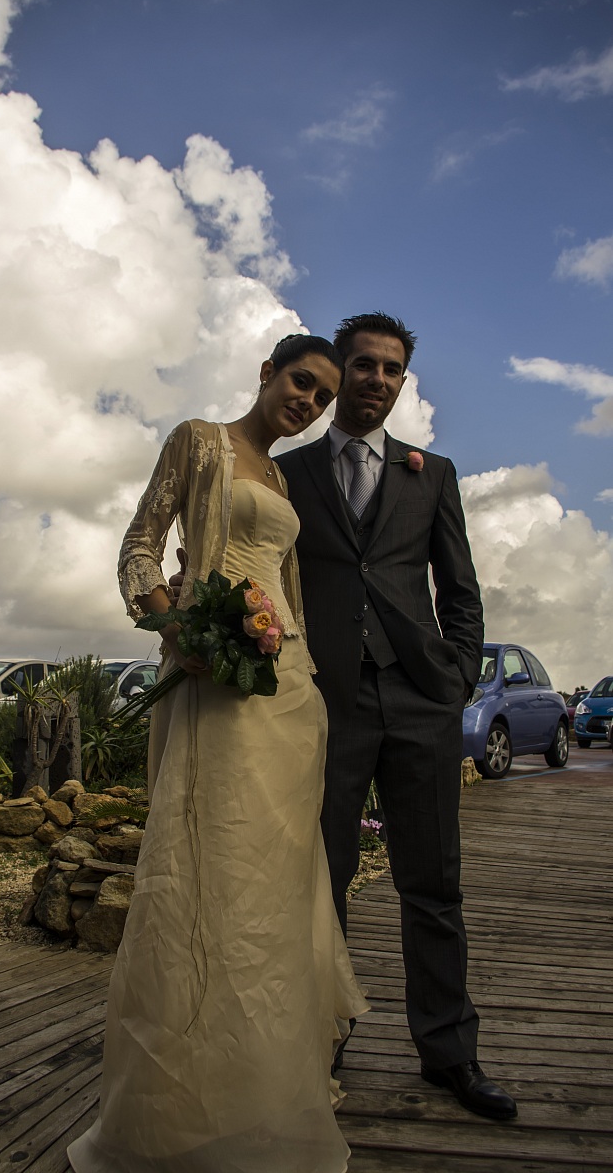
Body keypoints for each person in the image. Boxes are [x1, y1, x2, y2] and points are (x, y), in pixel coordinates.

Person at [67, 335, 369, 1173]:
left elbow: (289, 587)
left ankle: (268, 1093)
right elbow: (139, 546)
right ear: (267, 372)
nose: (307, 402)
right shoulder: (200, 441)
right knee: (207, 876)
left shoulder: (282, 478)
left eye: (321, 397)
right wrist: (174, 626)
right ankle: (179, 1109)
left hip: (290, 689)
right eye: (300, 383)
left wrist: (299, 659)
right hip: (214, 680)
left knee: (273, 890)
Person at [275, 312, 517, 1121]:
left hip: (420, 700)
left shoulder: (433, 473)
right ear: (340, 373)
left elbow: (461, 589)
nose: (377, 379)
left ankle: (450, 1053)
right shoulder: (292, 472)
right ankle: (321, 1044)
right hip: (327, 702)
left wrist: (454, 678)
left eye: (392, 369)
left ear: (403, 381)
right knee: (323, 882)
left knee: (434, 882)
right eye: (364, 366)